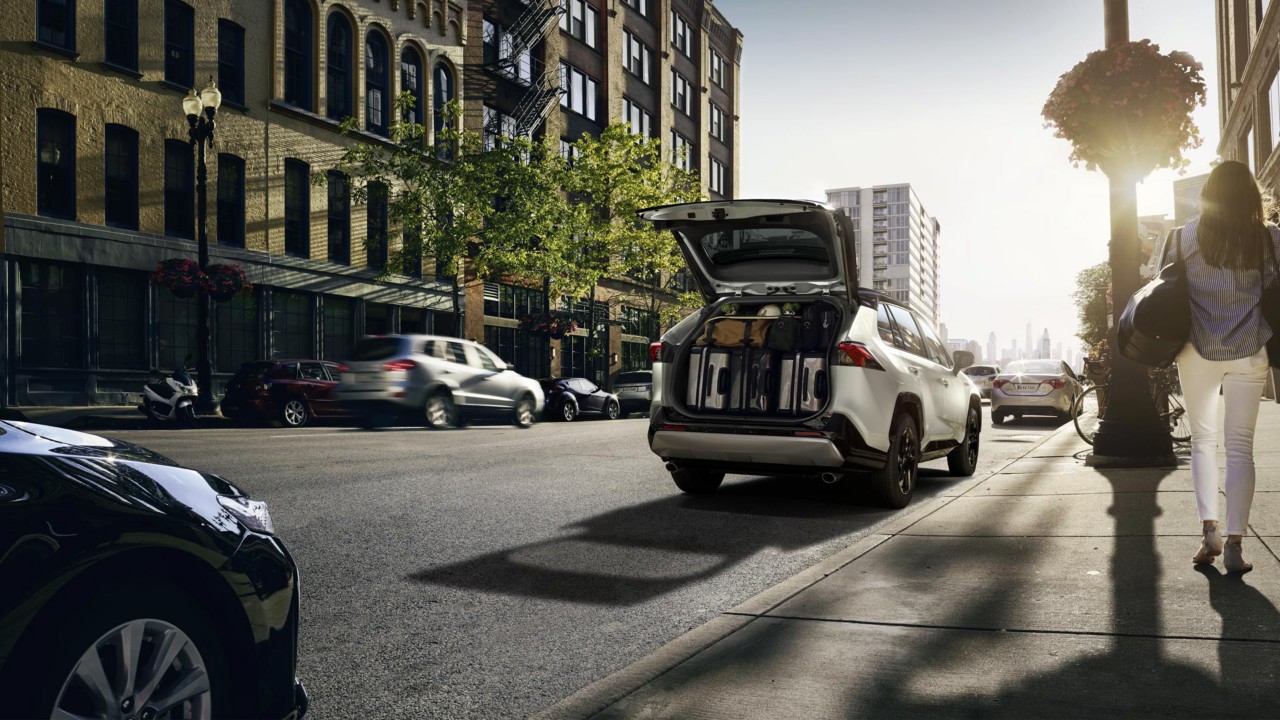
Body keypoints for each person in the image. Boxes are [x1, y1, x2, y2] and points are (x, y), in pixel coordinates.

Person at [1168, 160, 1280, 573]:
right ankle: (1234, 548)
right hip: (1250, 351)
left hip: (1196, 350)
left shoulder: (1182, 238)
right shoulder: (1269, 239)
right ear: (1251, 195)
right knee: (1241, 449)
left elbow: (1159, 285)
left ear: (1208, 196)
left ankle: (1209, 533)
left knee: (1203, 442)